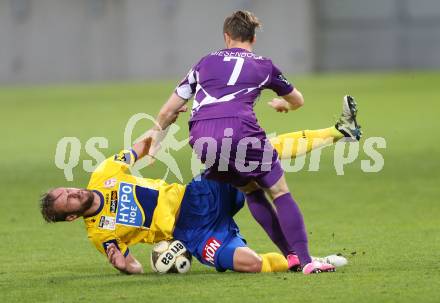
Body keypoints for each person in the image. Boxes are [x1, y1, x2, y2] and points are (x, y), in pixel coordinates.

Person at [153, 10, 361, 274]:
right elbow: (298, 99)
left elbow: (167, 111)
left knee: (251, 189)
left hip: (202, 137)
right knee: (280, 192)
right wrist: (285, 105)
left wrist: (154, 140)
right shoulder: (264, 65)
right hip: (240, 131)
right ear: (252, 38)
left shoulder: (203, 63)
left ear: (227, 37)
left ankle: (292, 257)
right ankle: (307, 261)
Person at [39, 104, 358, 275]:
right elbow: (128, 264)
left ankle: (338, 131)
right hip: (189, 234)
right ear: (69, 218)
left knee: (252, 151)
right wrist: (130, 264)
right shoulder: (99, 233)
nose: (71, 193)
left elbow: (142, 148)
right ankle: (310, 260)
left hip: (196, 195)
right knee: (249, 264)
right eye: (64, 201)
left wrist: (163, 124)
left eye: (65, 189)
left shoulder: (103, 173)